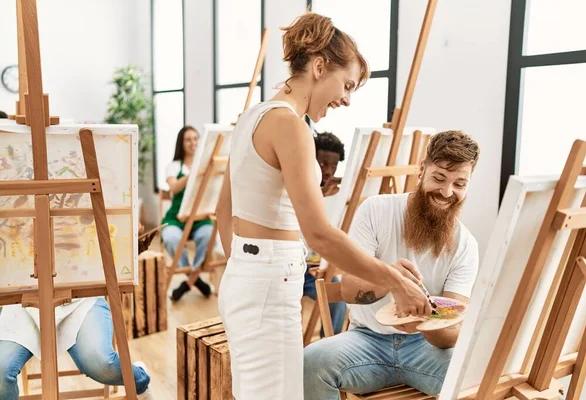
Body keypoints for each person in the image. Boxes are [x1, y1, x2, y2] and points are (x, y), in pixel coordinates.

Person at [215, 12, 432, 400]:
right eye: (346, 84)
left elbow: (224, 213)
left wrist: (251, 264)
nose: (346, 99)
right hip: (267, 283)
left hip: (249, 279)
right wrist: (394, 281)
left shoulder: (251, 116)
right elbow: (320, 233)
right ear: (318, 67)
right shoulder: (291, 126)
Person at [304, 131, 480, 398]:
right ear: (422, 170)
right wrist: (391, 279)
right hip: (366, 340)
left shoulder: (466, 245)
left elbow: (451, 334)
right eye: (439, 178)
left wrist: (422, 317)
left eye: (459, 184)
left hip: (425, 348)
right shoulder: (376, 210)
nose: (447, 192)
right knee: (311, 362)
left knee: (476, 381)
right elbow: (349, 290)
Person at [0, 225, 153, 399]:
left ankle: (140, 379)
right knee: (0, 373)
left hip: (80, 295)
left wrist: (128, 231)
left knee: (101, 363)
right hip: (23, 302)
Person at [161, 125, 214, 301]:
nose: (193, 143)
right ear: (181, 144)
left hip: (200, 216)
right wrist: (193, 174)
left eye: (195, 138)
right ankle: (195, 279)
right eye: (188, 139)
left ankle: (188, 282)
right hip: (177, 216)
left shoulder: (208, 165)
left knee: (208, 235)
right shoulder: (174, 166)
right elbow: (174, 188)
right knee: (170, 237)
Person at [304, 130, 346, 337]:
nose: (328, 171)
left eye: (334, 166)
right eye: (323, 164)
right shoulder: (297, 187)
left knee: (338, 292)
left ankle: (329, 342)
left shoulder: (340, 194)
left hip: (317, 269)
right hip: (290, 269)